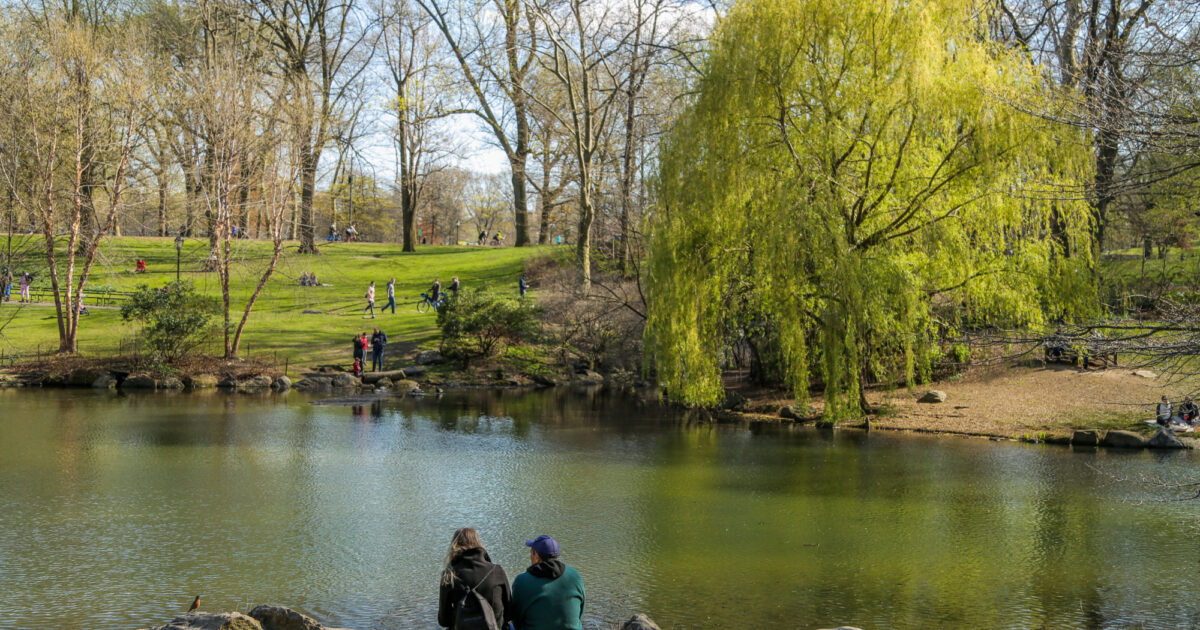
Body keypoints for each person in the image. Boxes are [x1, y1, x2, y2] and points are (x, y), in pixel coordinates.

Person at [437, 527, 511, 630]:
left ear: (455, 545)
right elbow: (509, 612)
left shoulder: (449, 575)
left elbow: (443, 620)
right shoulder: (496, 571)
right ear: (478, 543)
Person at [510, 535, 585, 630]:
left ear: (536, 556)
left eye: (531, 552)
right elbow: (580, 613)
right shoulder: (574, 576)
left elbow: (516, 619)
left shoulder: (522, 580)